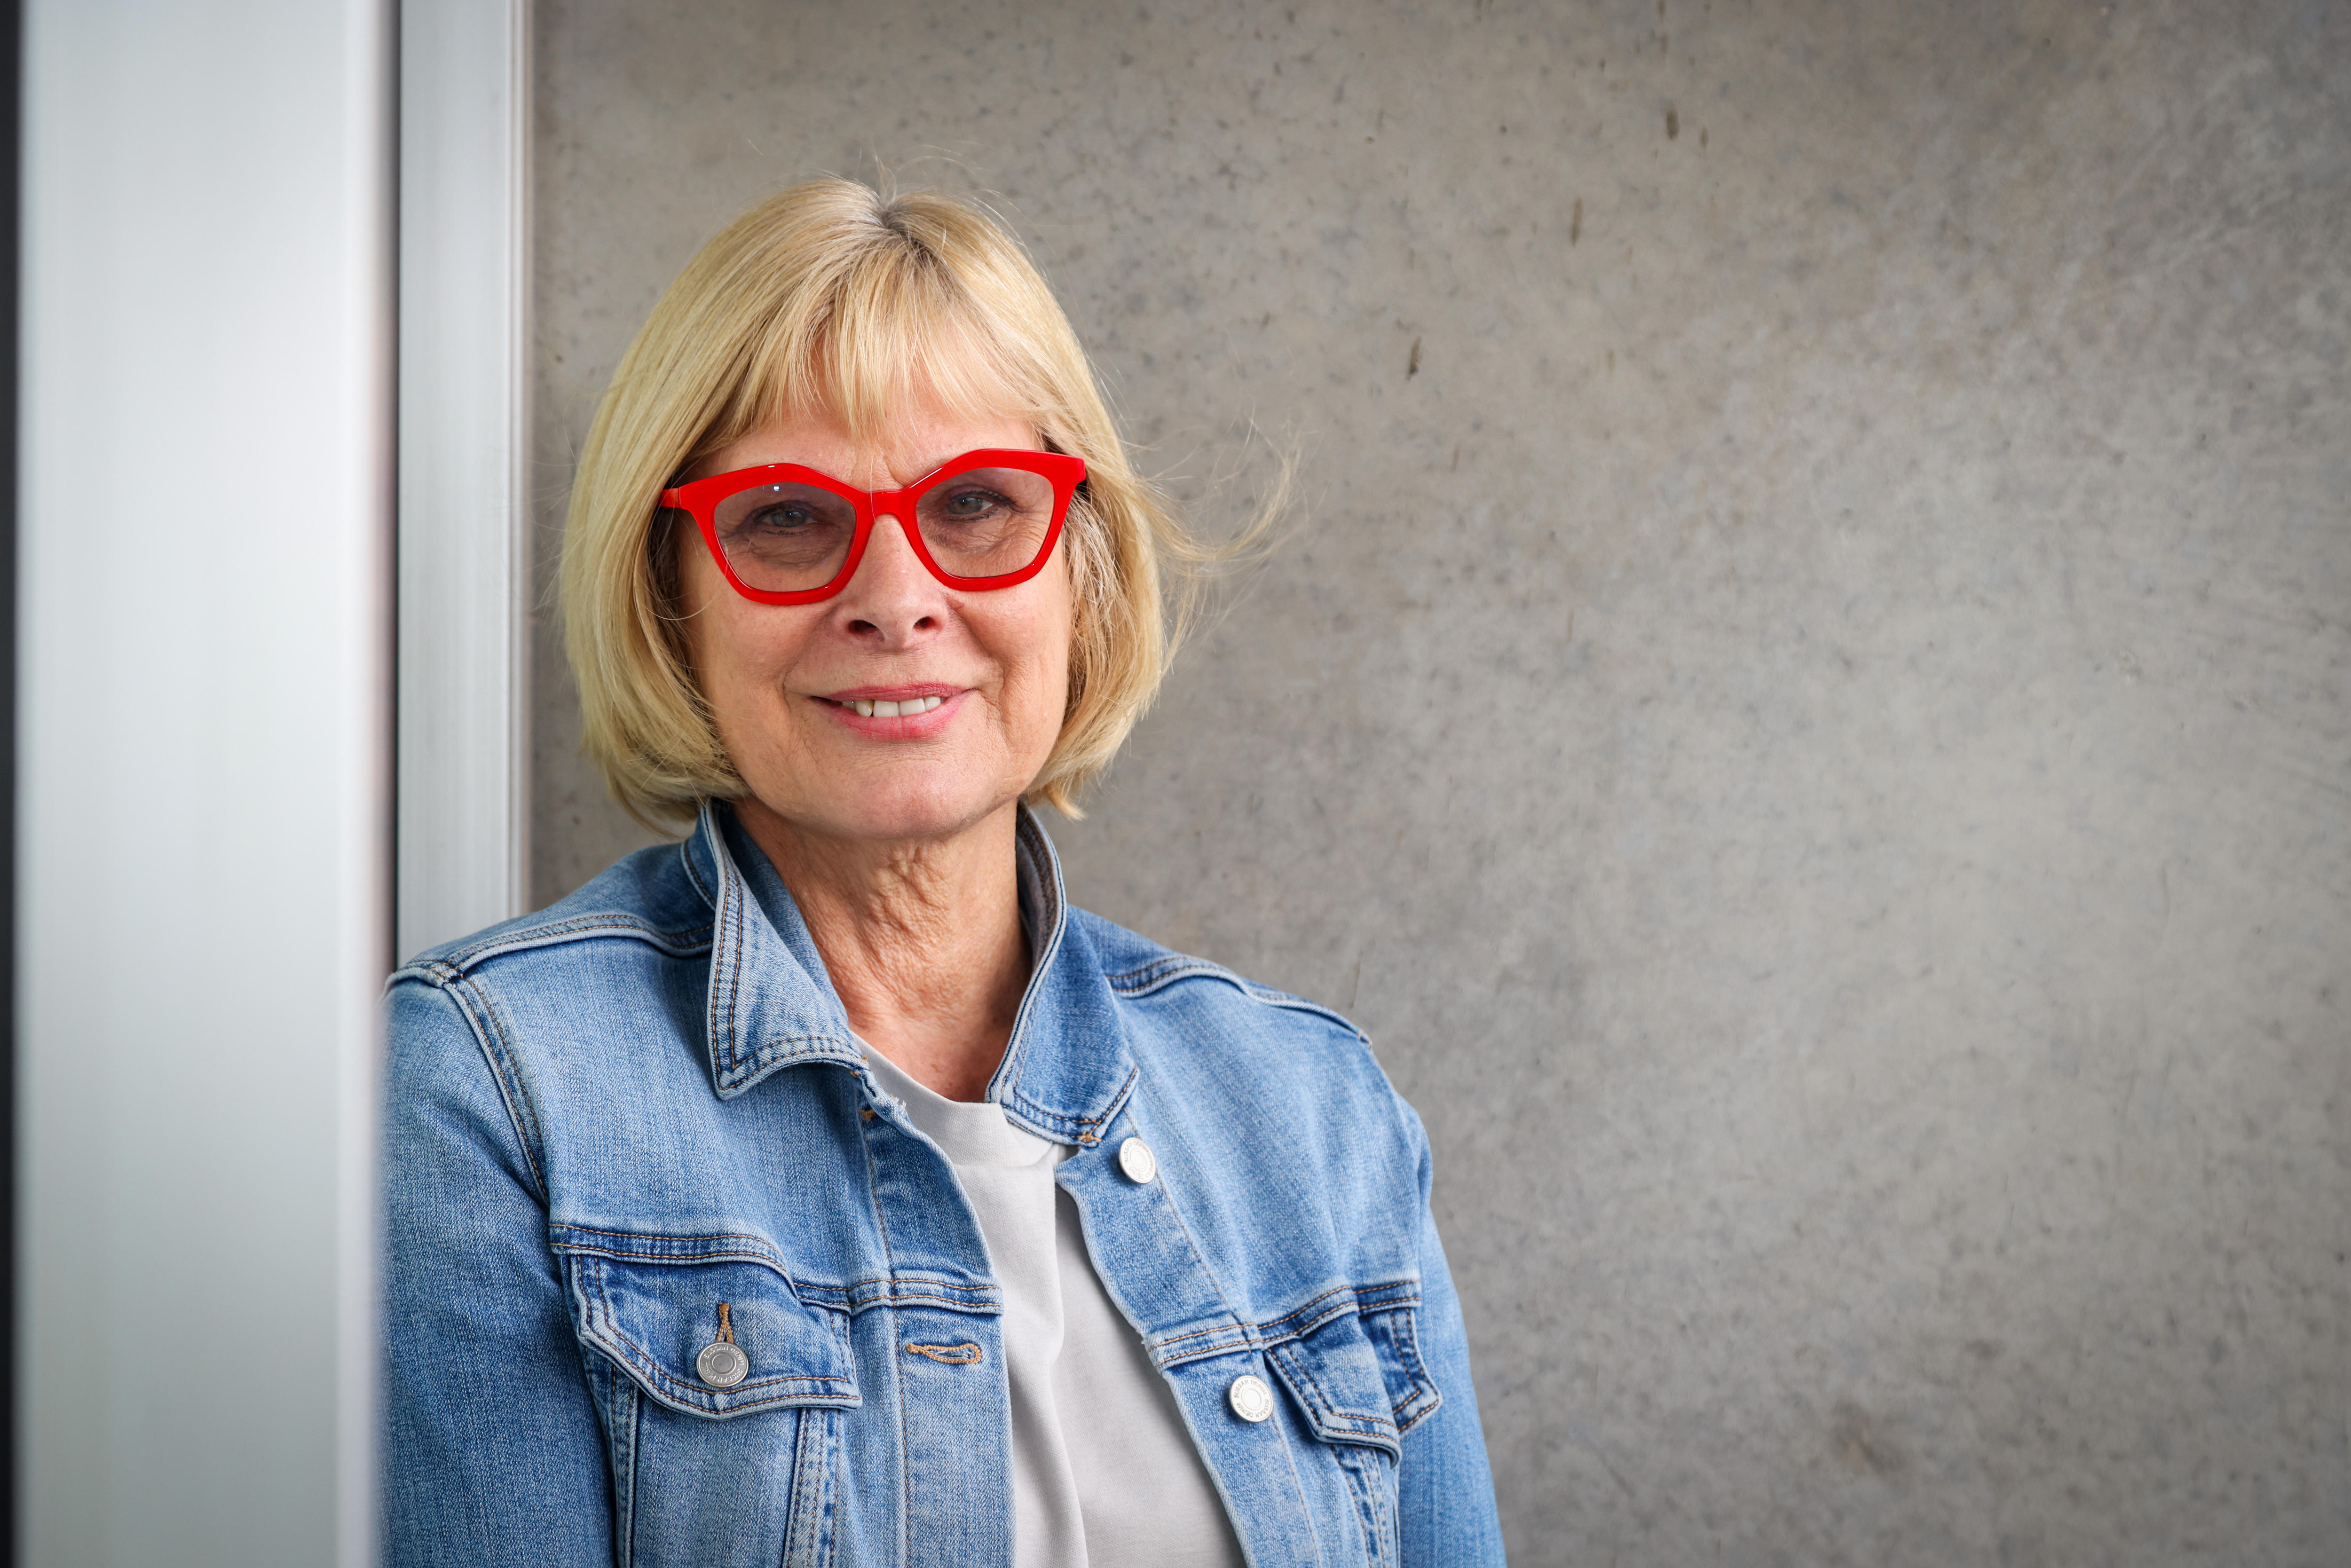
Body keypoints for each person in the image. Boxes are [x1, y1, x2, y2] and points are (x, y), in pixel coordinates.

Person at [382, 178, 1504, 1568]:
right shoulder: (489, 1094)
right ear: (670, 591)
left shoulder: (1317, 1115)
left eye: (976, 503)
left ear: (1078, 573)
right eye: (789, 517)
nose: (896, 593)